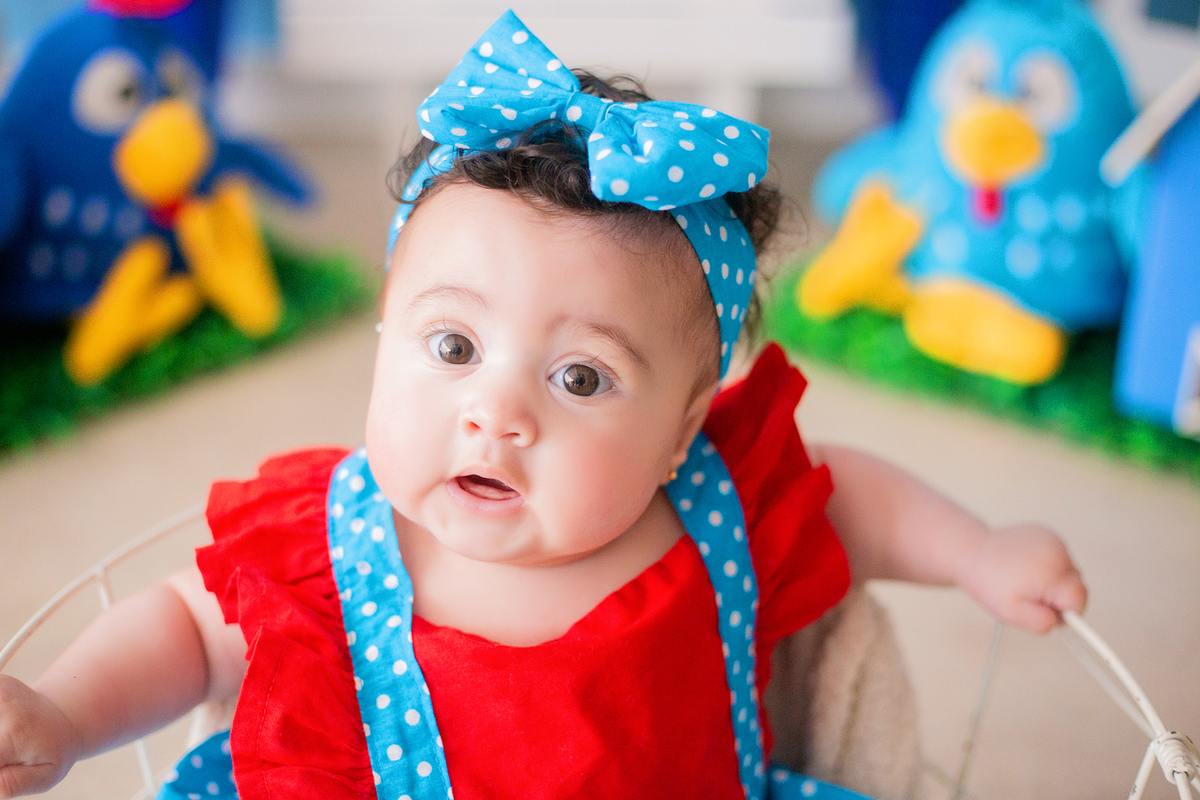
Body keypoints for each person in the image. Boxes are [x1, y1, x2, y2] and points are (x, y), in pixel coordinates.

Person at [0, 11, 1086, 800]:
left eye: (580, 377)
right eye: (453, 344)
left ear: (681, 423)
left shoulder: (715, 502)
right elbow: (189, 628)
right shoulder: (331, 543)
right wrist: (65, 713)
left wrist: (981, 551)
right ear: (385, 336)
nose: (497, 411)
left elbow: (849, 497)